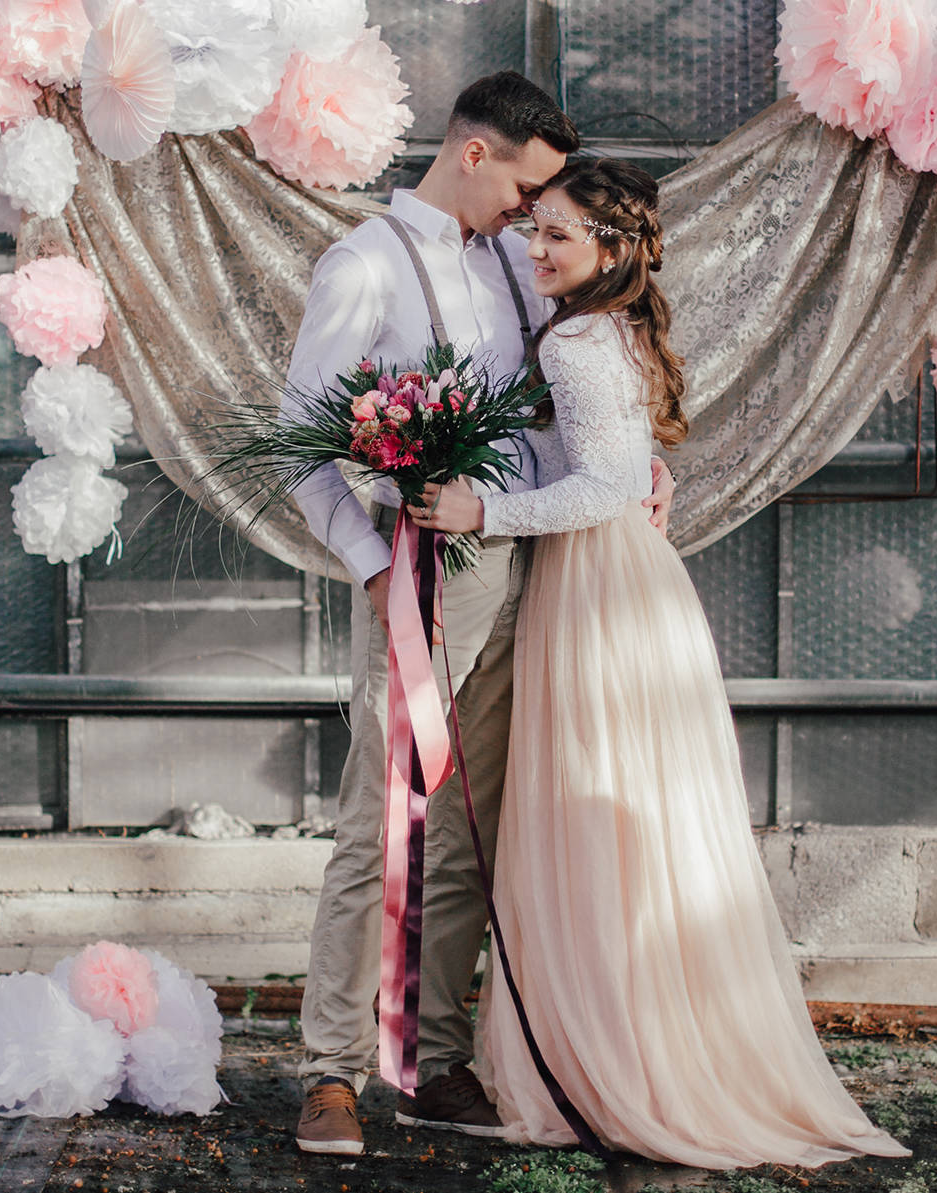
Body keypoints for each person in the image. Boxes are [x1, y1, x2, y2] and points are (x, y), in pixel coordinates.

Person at [409, 158, 910, 1168]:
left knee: (596, 825)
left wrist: (481, 509)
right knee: (634, 830)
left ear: (611, 250)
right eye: (535, 227)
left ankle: (621, 1060)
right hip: (627, 584)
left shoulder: (581, 339)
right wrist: (642, 468)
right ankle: (645, 1041)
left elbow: (596, 486)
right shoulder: (609, 328)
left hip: (596, 589)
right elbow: (618, 462)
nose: (536, 246)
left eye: (556, 234)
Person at [283, 74, 673, 1157]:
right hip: (427, 574)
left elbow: (555, 416)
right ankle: (328, 1071)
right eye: (526, 184)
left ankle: (428, 1058)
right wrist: (371, 568)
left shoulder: (512, 256)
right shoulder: (362, 266)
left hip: (531, 565)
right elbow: (303, 444)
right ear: (471, 154)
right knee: (381, 826)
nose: (531, 211)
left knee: (469, 829)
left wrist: (633, 471)